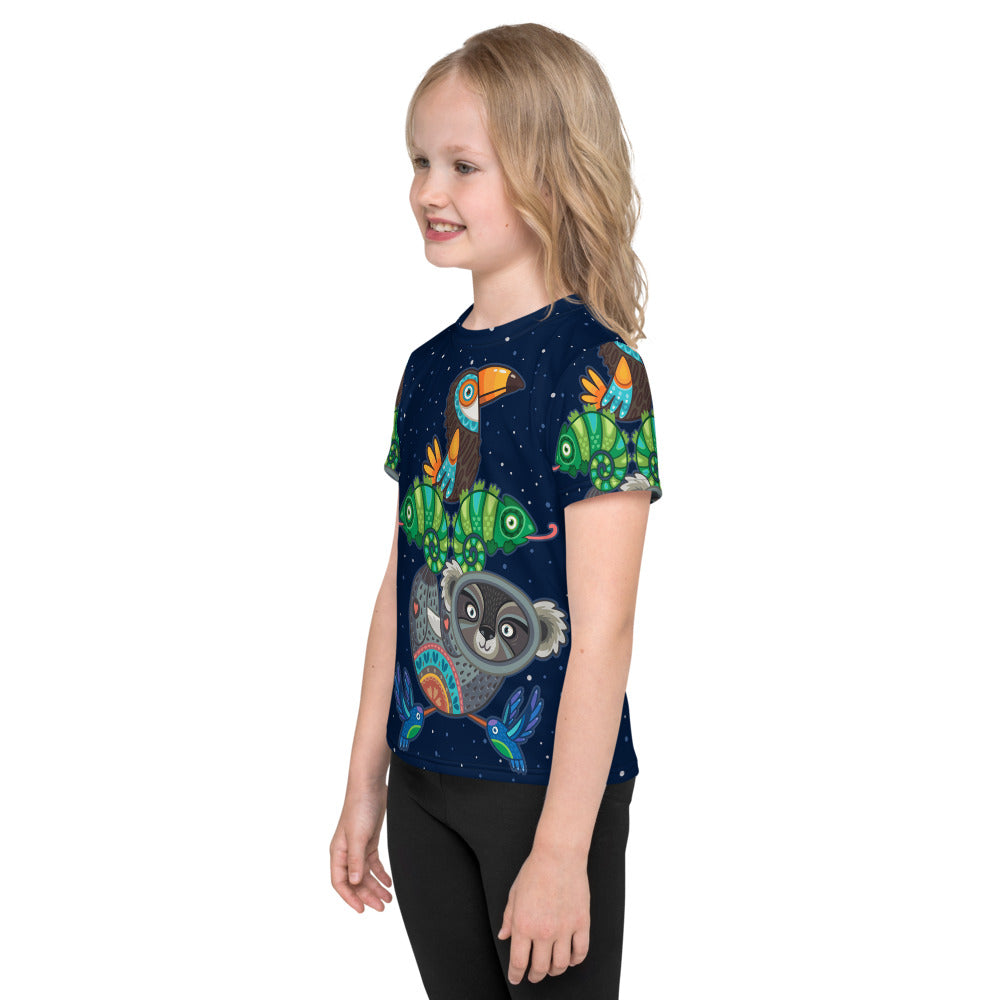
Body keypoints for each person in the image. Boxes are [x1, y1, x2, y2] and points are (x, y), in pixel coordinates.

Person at [330, 23, 662, 999]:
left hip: (545, 794)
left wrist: (561, 849)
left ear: (550, 172)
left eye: (461, 166)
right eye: (419, 162)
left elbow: (603, 629)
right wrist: (364, 783)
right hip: (423, 784)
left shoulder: (597, 374)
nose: (427, 191)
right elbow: (404, 583)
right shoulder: (428, 368)